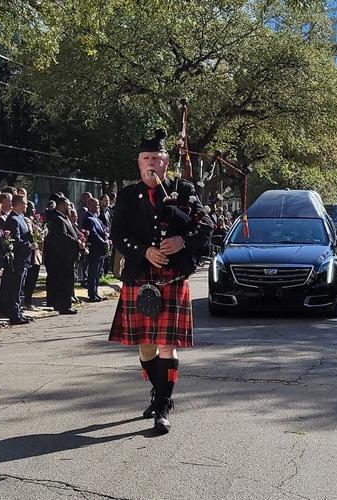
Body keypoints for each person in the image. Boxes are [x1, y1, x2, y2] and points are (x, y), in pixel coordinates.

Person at [109, 129, 213, 434]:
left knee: (167, 346)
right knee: (146, 347)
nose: (151, 163)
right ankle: (158, 391)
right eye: (146, 158)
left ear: (166, 163)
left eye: (157, 158)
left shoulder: (183, 189)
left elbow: (205, 224)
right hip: (140, 276)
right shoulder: (128, 195)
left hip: (172, 276)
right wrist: (144, 251)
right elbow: (118, 234)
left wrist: (183, 240)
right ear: (139, 163)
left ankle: (164, 405)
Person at [1, 194, 34, 325]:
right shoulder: (13, 219)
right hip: (17, 260)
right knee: (15, 288)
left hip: (24, 259)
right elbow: (15, 241)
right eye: (24, 203)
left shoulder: (21, 218)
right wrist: (29, 245)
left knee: (20, 287)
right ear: (19, 204)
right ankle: (14, 314)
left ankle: (19, 312)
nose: (26, 206)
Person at [44, 195, 81, 314]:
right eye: (67, 205)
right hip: (62, 256)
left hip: (67, 256)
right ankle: (64, 305)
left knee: (67, 280)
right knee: (64, 281)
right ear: (61, 205)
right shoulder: (57, 218)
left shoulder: (64, 217)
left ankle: (64, 304)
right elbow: (62, 236)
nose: (69, 207)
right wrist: (77, 242)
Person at [81, 197, 109, 302]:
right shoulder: (88, 218)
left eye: (98, 205)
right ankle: (92, 294)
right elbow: (93, 233)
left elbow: (103, 230)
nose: (98, 207)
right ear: (90, 206)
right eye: (96, 205)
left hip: (100, 250)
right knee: (93, 272)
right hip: (94, 250)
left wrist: (107, 238)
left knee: (97, 273)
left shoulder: (96, 218)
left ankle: (96, 292)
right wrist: (103, 241)